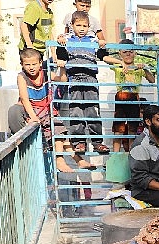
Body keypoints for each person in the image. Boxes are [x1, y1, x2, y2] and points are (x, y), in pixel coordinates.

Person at [7, 48, 91, 174]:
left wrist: (62, 67)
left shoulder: (45, 73)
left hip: (46, 108)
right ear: (22, 65)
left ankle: (75, 160)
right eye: (27, 64)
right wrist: (33, 117)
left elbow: (63, 80)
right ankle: (62, 160)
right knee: (55, 131)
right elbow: (24, 99)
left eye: (34, 64)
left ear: (40, 63)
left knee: (60, 131)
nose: (31, 67)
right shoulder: (22, 77)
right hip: (32, 109)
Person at [56, 11, 110, 154]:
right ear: (71, 25)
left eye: (84, 26)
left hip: (90, 78)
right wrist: (60, 42)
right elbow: (60, 55)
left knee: (92, 111)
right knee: (76, 112)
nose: (81, 28)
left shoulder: (93, 40)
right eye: (78, 25)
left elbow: (103, 55)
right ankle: (79, 142)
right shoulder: (67, 40)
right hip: (74, 78)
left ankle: (97, 142)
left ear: (89, 27)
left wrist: (103, 45)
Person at [110, 39, 156, 152]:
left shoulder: (138, 68)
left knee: (132, 128)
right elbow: (105, 58)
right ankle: (115, 155)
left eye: (131, 51)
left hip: (134, 98)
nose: (128, 54)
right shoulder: (118, 65)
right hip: (121, 97)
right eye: (125, 51)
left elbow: (152, 80)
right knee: (118, 128)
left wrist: (145, 68)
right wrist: (121, 63)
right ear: (120, 53)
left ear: (135, 53)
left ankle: (131, 154)